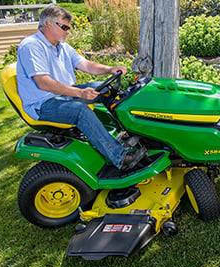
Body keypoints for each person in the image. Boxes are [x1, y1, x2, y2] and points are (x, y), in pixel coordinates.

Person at [16, 5, 147, 171]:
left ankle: (128, 135)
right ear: (48, 24)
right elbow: (43, 83)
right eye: (64, 27)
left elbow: (85, 64)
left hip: (64, 95)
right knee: (80, 111)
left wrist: (109, 69)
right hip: (42, 104)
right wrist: (80, 93)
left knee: (106, 90)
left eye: (69, 28)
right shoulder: (32, 46)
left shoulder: (61, 46)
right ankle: (120, 158)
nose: (68, 32)